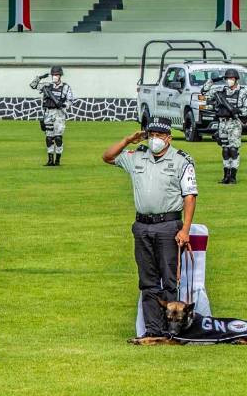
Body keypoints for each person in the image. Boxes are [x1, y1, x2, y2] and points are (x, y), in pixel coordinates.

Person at [103, 118, 197, 340]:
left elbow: (190, 196)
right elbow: (108, 157)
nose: (155, 139)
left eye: (160, 135)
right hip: (142, 225)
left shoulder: (181, 160)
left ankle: (171, 330)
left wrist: (185, 229)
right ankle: (152, 330)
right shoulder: (137, 156)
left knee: (169, 280)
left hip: (168, 225)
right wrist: (127, 140)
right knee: (147, 281)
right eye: (151, 134)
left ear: (168, 138)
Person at [201, 68, 245, 184]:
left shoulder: (243, 92)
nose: (229, 80)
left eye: (231, 78)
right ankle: (226, 176)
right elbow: (204, 92)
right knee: (225, 150)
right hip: (223, 123)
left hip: (235, 123)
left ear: (236, 79)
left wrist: (238, 111)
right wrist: (212, 80)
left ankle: (233, 176)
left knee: (233, 150)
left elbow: (245, 109)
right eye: (227, 78)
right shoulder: (221, 90)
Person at [29, 66, 75, 167]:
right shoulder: (47, 86)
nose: (55, 76)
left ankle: (57, 160)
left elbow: (70, 100)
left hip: (59, 114)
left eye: (57, 75)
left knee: (58, 138)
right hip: (48, 113)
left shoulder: (66, 87)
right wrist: (40, 77)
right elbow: (32, 85)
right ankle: (50, 160)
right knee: (49, 137)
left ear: (60, 76)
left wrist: (63, 105)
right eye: (53, 75)